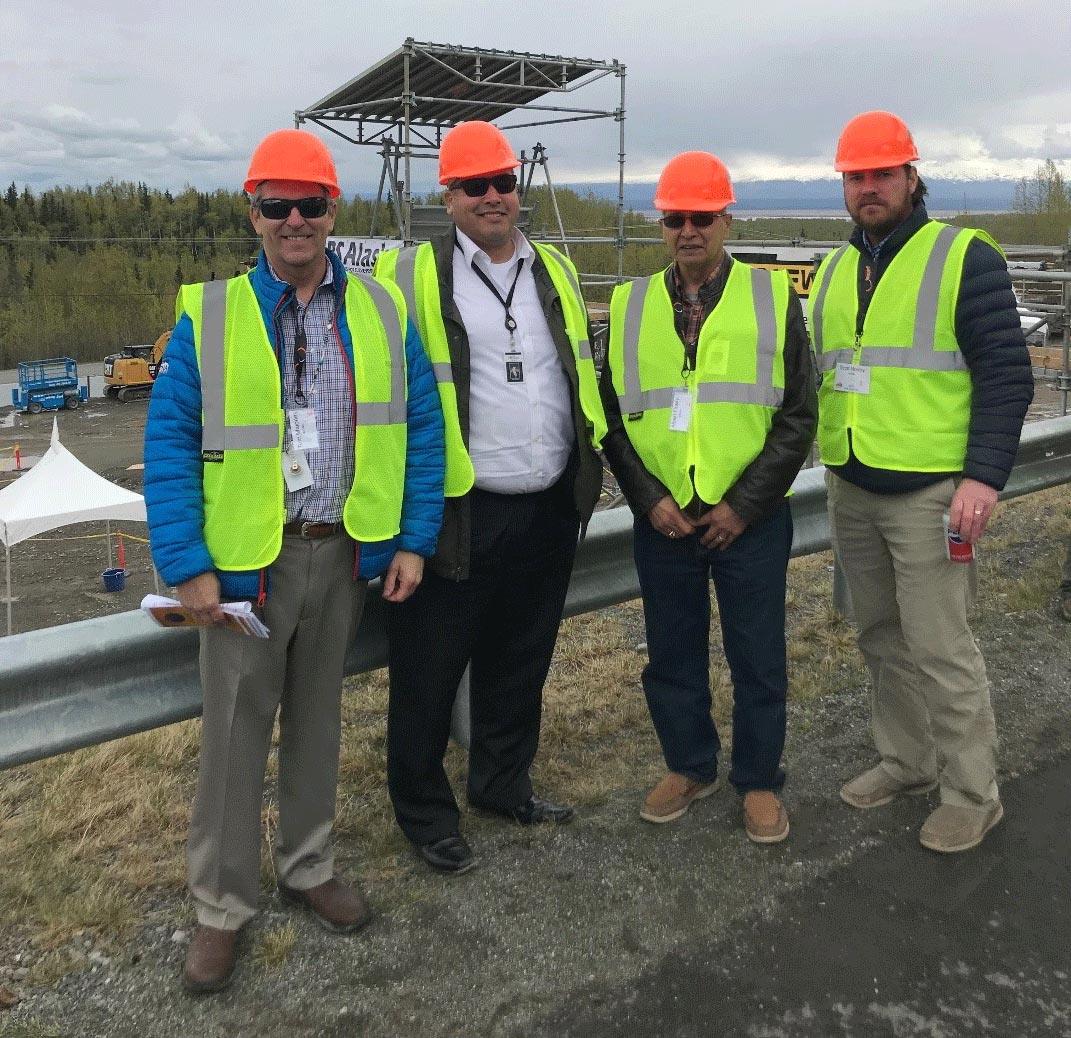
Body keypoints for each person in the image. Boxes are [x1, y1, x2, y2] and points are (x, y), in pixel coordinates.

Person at [144, 128, 444, 992]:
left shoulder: (383, 310)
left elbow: (420, 431)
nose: (293, 219)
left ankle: (308, 866)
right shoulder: (210, 312)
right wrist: (187, 560)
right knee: (234, 742)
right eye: (275, 204)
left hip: (342, 553)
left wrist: (411, 539)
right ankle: (221, 906)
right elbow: (167, 444)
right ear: (254, 213)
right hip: (248, 566)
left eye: (309, 203)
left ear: (331, 210)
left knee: (318, 725)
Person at [374, 121, 606, 873]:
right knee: (428, 675)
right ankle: (425, 816)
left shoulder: (555, 272)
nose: (492, 196)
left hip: (545, 507)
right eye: (474, 185)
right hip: (455, 512)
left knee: (520, 661)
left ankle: (503, 785)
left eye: (503, 181)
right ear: (448, 196)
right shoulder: (404, 275)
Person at [811, 111, 1033, 853]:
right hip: (853, 482)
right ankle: (906, 762)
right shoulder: (839, 266)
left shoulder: (962, 255)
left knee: (940, 646)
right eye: (854, 177)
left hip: (932, 492)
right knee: (879, 635)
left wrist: (982, 478)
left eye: (880, 174)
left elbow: (1007, 375)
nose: (867, 188)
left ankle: (972, 792)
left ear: (911, 177)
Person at [601, 152, 817, 843]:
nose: (687, 230)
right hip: (663, 520)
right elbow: (608, 417)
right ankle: (689, 765)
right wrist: (646, 498)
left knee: (757, 656)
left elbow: (797, 417)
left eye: (701, 217)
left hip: (746, 520)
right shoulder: (630, 305)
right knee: (670, 654)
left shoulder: (770, 299)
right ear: (659, 225)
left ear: (726, 220)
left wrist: (743, 505)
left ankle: (758, 781)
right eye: (674, 218)